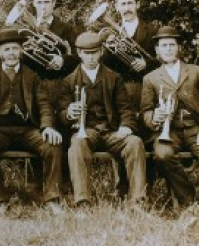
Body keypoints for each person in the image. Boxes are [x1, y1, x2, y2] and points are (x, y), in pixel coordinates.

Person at [0, 26, 64, 215]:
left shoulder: (33, 77)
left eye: (15, 48)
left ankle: (52, 198)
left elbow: (45, 105)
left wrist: (47, 127)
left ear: (21, 51)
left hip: (27, 130)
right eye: (6, 49)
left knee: (52, 145)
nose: (11, 53)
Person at [140, 26, 199, 207]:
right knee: (162, 156)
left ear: (178, 47)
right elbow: (145, 112)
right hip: (168, 131)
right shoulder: (150, 78)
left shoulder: (198, 72)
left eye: (172, 45)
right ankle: (187, 199)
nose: (168, 49)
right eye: (164, 45)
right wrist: (154, 116)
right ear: (157, 50)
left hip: (197, 129)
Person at [58, 32, 146, 208]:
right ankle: (83, 201)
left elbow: (125, 108)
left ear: (101, 53)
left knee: (135, 142)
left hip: (112, 132)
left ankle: (138, 201)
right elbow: (61, 113)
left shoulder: (114, 78)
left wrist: (127, 126)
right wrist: (69, 113)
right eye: (86, 53)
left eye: (94, 52)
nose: (91, 57)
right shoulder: (68, 81)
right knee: (76, 146)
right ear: (79, 53)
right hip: (86, 132)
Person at [17, 0, 82, 198]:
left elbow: (77, 56)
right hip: (34, 85)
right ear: (33, 4)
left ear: (54, 4)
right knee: (37, 128)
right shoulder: (25, 28)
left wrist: (61, 59)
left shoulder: (66, 28)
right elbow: (21, 55)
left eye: (47, 2)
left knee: (62, 131)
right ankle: (35, 182)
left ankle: (64, 182)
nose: (43, 6)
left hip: (60, 84)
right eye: (39, 2)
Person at [96, 0, 159, 198]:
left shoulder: (152, 31)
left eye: (130, 3)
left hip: (146, 88)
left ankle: (145, 187)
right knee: (122, 134)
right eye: (122, 4)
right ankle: (121, 186)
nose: (127, 8)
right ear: (116, 7)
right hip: (120, 91)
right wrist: (107, 47)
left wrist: (146, 63)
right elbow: (103, 64)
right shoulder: (111, 34)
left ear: (137, 4)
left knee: (146, 136)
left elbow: (162, 61)